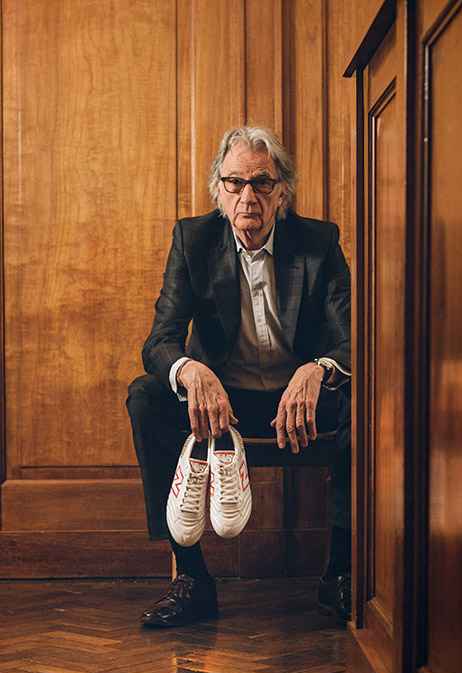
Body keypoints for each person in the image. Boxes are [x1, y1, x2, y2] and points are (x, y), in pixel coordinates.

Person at [127, 125, 351, 628]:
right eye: (235, 182)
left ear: (281, 192)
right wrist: (190, 370)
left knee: (367, 402)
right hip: (221, 406)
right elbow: (159, 340)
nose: (248, 196)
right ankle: (191, 580)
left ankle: (340, 574)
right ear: (219, 190)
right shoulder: (193, 239)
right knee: (145, 395)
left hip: (301, 401)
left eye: (262, 182)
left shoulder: (319, 242)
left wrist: (318, 369)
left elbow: (353, 336)